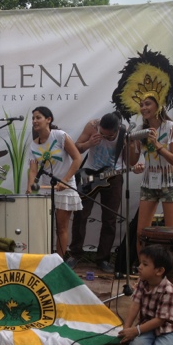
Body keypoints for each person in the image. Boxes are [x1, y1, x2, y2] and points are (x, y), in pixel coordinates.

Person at [111, 45, 173, 259]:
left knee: (172, 234)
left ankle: (171, 275)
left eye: (148, 104)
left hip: (171, 182)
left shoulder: (172, 128)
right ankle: (143, 270)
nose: (144, 108)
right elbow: (132, 162)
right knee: (141, 233)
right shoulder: (140, 131)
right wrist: (131, 144)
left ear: (158, 105)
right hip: (149, 183)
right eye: (141, 105)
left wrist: (158, 145)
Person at [66, 112, 126, 273]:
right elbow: (77, 148)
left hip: (113, 176)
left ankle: (103, 258)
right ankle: (75, 254)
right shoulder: (92, 126)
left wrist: (131, 146)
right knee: (80, 214)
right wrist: (89, 143)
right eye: (102, 134)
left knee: (110, 218)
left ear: (117, 130)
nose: (104, 137)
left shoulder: (124, 133)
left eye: (109, 136)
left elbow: (130, 160)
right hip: (90, 175)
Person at [25, 106, 82, 258]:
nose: (34, 121)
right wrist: (30, 186)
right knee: (43, 227)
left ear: (48, 119)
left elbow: (77, 159)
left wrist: (65, 180)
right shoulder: (33, 145)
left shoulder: (60, 136)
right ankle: (43, 259)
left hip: (65, 187)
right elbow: (33, 170)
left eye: (38, 117)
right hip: (46, 189)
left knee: (61, 228)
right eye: (33, 118)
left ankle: (59, 262)